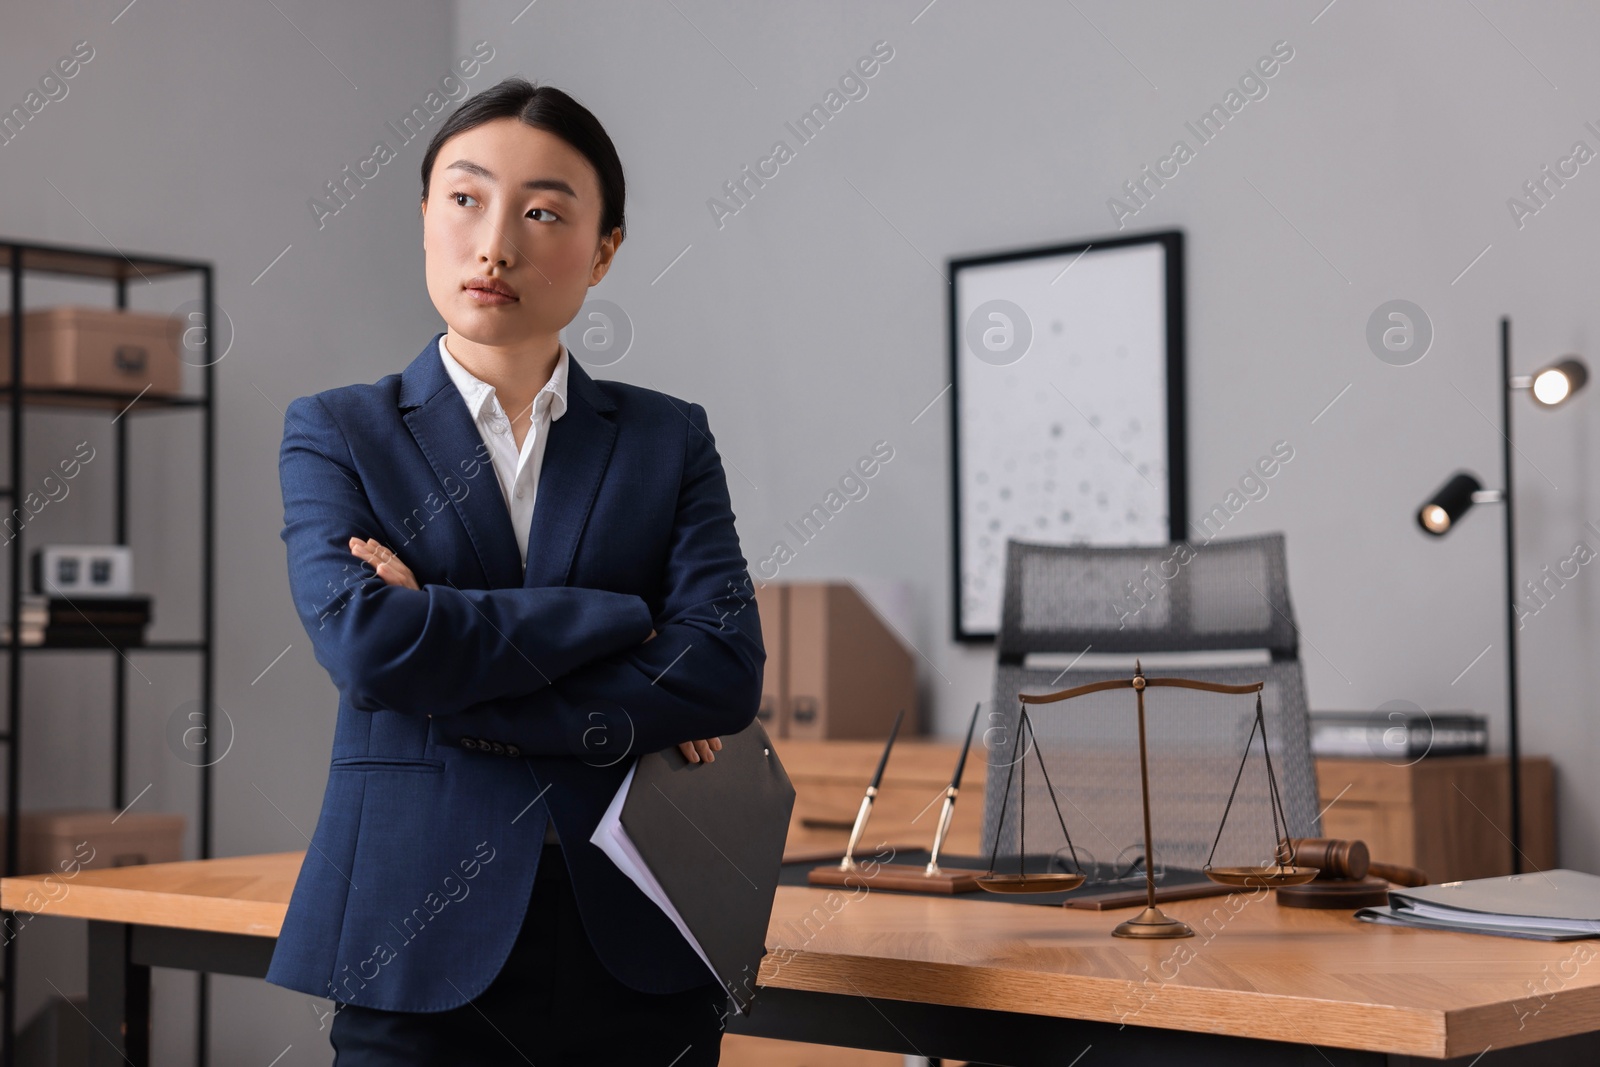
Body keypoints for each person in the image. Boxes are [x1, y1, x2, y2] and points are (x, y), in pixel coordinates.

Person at [263, 77, 763, 1066]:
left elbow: (723, 671)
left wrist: (449, 667)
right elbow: (367, 646)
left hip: (639, 935)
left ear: (604, 248)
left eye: (542, 211)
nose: (495, 242)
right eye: (464, 198)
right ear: (423, 218)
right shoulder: (337, 430)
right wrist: (625, 619)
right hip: (414, 942)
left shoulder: (668, 437)